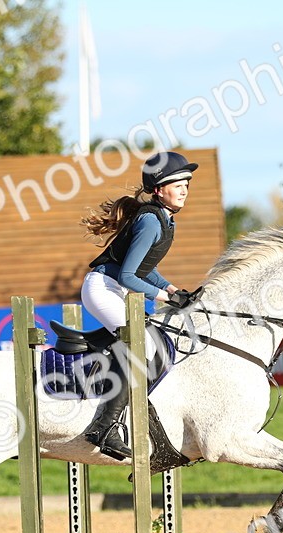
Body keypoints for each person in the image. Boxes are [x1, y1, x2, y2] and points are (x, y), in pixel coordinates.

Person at [76, 150, 196, 461]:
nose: (184, 189)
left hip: (115, 288)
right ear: (159, 189)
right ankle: (103, 427)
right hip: (103, 288)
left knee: (154, 343)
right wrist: (166, 297)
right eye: (178, 184)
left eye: (187, 184)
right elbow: (128, 276)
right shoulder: (151, 221)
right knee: (140, 345)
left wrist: (171, 288)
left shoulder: (164, 220)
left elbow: (145, 268)